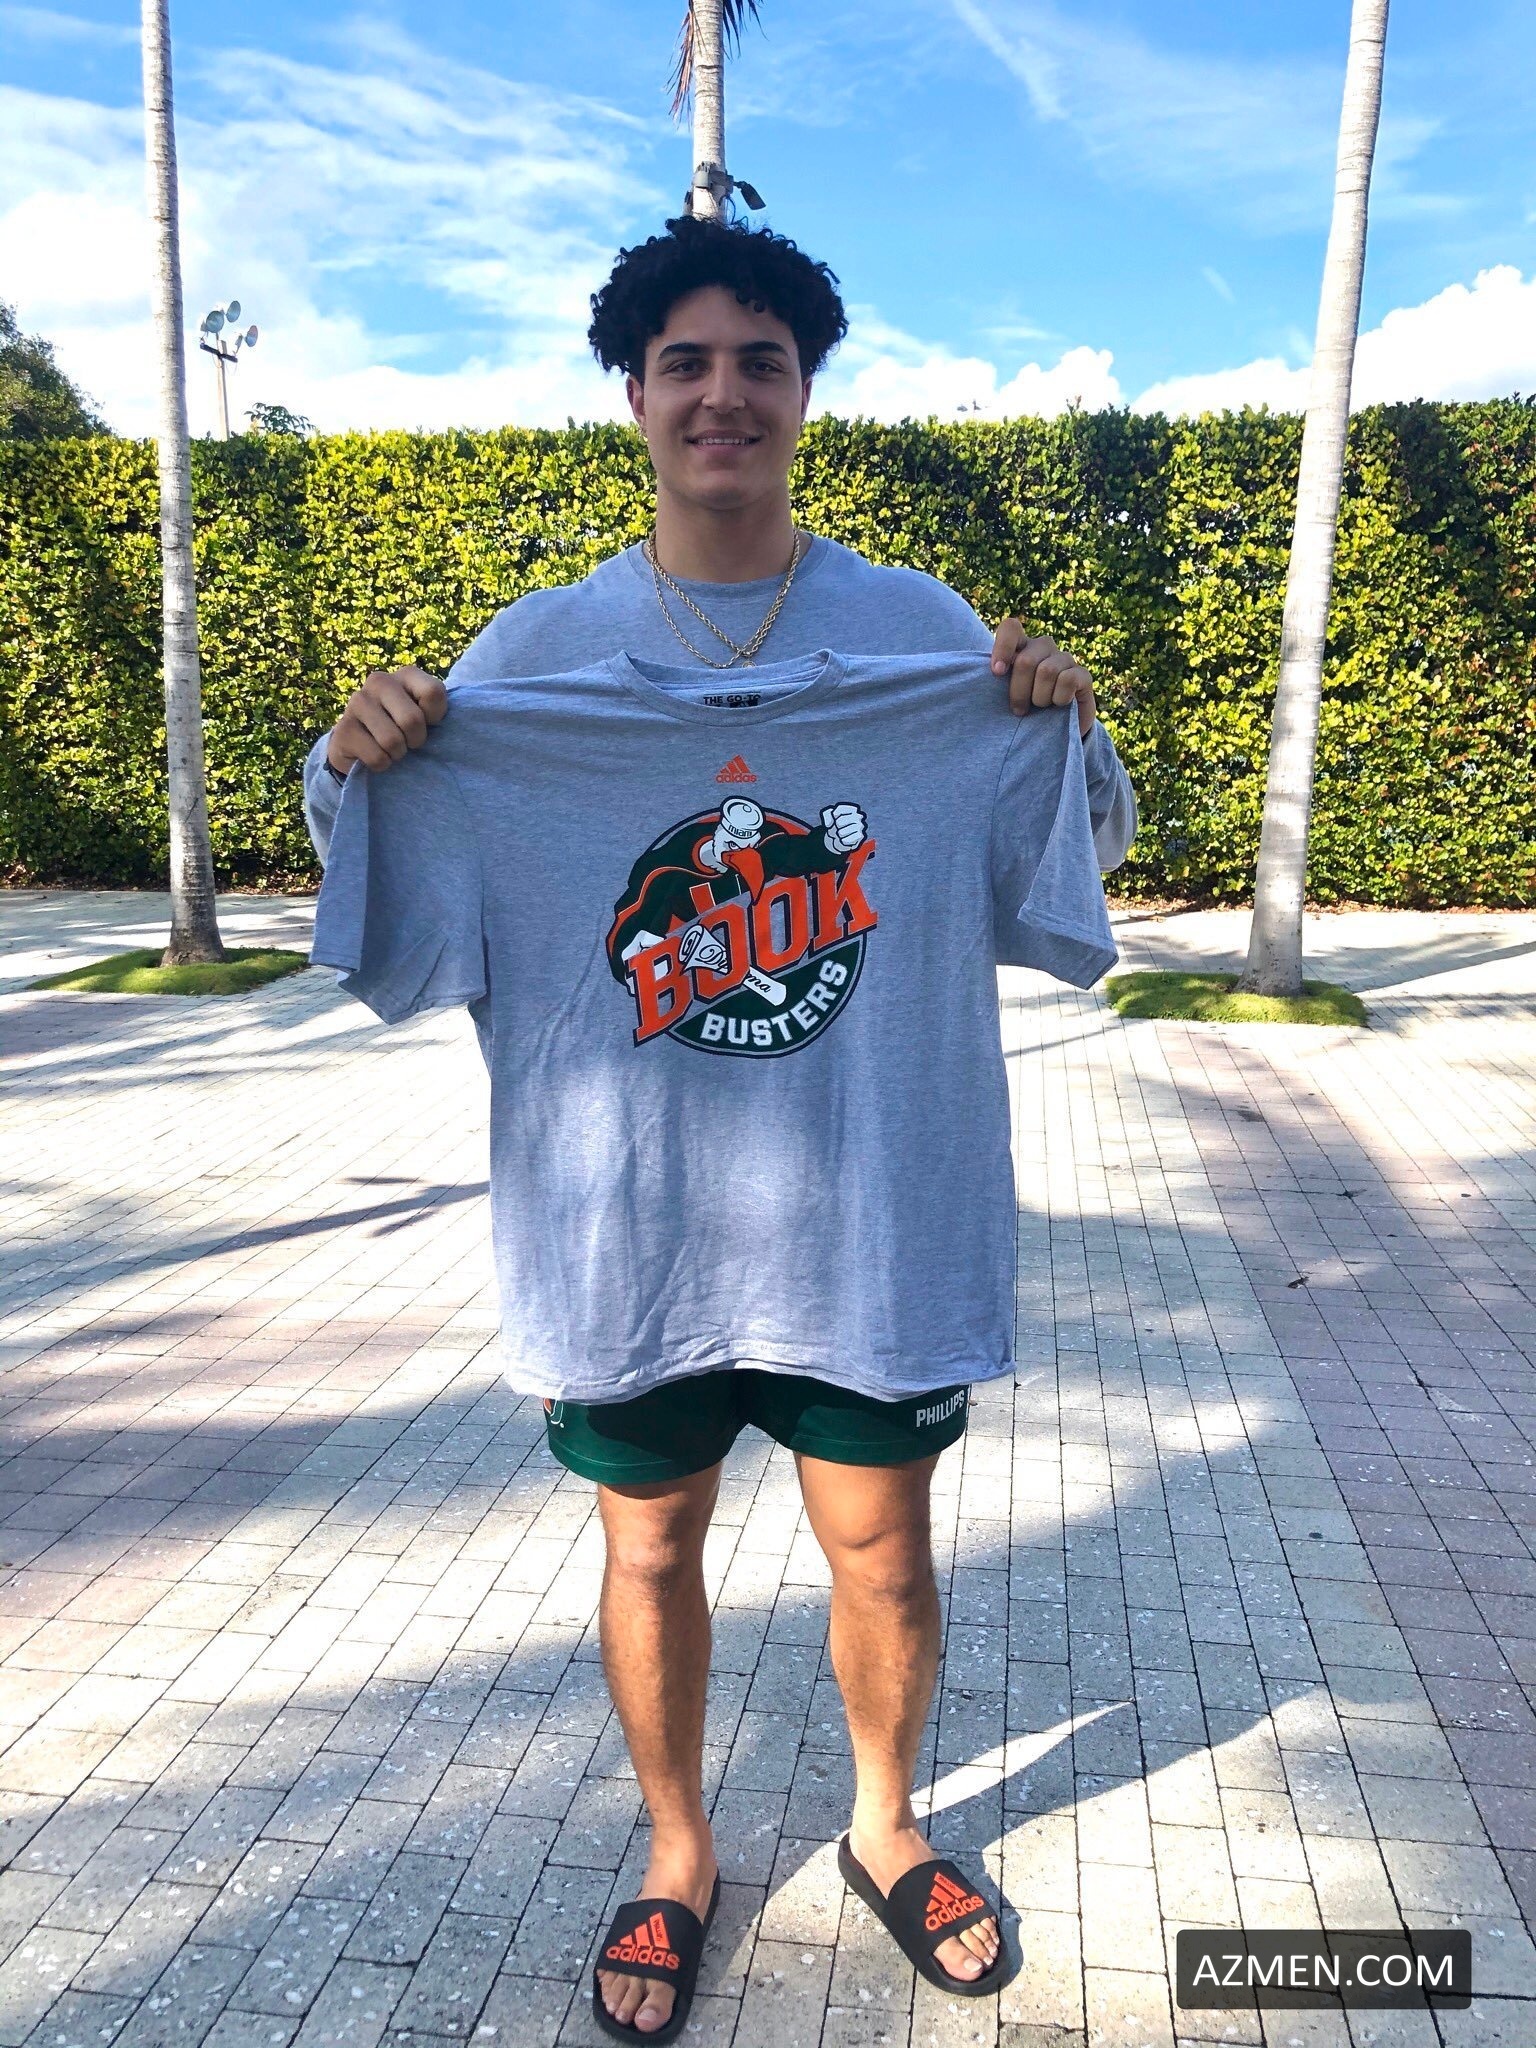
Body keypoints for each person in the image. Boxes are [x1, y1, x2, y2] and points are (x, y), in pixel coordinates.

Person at [303, 215, 1136, 2039]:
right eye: (686, 361)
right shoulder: (531, 656)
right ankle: (678, 1849)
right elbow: (386, 882)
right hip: (632, 1237)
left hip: (871, 1224)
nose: (723, 394)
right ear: (636, 394)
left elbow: (1069, 868)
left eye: (761, 361)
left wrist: (1062, 729)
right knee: (647, 1551)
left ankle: (885, 1824)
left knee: (885, 1553)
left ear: (804, 392)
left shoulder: (922, 636)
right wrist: (351, 756)